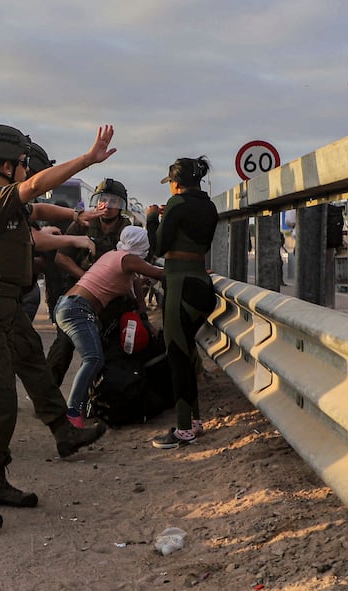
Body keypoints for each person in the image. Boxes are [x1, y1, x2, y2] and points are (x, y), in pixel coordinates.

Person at [0, 124, 115, 529]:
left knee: (33, 363)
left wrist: (76, 217)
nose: (25, 168)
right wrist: (87, 160)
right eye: (21, 162)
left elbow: (36, 210)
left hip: (1, 306)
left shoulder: (6, 204)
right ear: (6, 165)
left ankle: (42, 445)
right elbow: (33, 191)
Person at [54, 225, 164, 427]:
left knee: (93, 357)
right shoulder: (128, 259)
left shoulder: (115, 256)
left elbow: (136, 283)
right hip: (77, 309)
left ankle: (84, 408)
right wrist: (192, 272)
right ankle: (71, 414)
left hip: (70, 305)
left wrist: (143, 312)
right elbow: (159, 273)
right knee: (93, 358)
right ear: (142, 245)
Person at [146, 156, 219, 449]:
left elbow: (158, 247)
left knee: (177, 355)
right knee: (188, 352)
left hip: (180, 284)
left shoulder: (176, 204)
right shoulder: (209, 205)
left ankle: (183, 430)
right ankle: (195, 421)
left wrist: (154, 219)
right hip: (202, 282)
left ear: (175, 183)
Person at [47, 178, 135, 384]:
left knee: (106, 347)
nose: (107, 206)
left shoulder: (126, 229)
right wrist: (87, 278)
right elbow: (61, 258)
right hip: (79, 292)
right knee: (64, 344)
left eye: (114, 201)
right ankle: (48, 395)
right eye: (103, 200)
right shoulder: (82, 224)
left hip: (111, 299)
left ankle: (97, 396)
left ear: (121, 206)